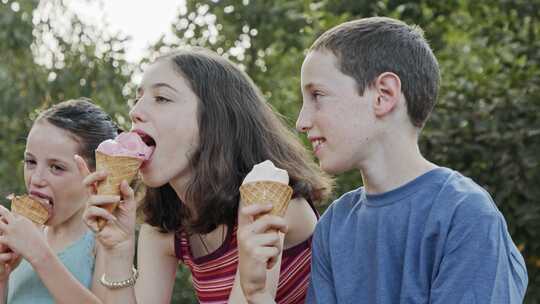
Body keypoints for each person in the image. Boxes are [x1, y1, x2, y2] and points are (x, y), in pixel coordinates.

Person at [295, 17, 529, 303]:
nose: (301, 121)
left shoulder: (464, 214)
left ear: (384, 95)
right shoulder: (334, 224)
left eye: (317, 95)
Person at [81, 47, 332, 304]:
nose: (135, 111)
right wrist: (118, 254)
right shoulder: (165, 229)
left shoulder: (271, 201)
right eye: (138, 98)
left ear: (215, 119)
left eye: (161, 98)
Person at [0, 98, 117, 303]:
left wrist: (38, 254)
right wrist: (2, 277)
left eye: (57, 167)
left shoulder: (105, 241)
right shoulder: (19, 236)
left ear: (94, 176)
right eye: (30, 162)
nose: (36, 179)